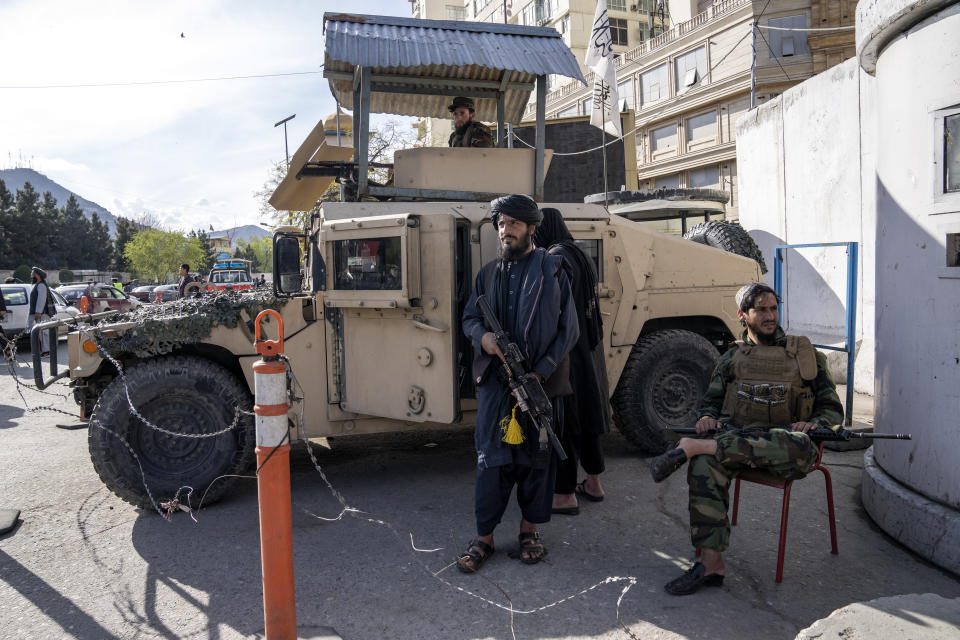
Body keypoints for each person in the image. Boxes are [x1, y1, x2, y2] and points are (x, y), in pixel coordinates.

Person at [650, 282, 843, 595]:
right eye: (761, 310)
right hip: (740, 442)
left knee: (794, 445)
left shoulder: (804, 355)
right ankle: (711, 565)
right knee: (703, 466)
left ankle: (698, 447)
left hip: (788, 448)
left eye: (773, 309)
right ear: (743, 315)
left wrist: (814, 423)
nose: (770, 316)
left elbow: (834, 411)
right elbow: (709, 404)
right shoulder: (731, 359)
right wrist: (705, 419)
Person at [457, 194, 579, 572]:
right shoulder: (488, 273)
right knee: (490, 463)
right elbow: (469, 317)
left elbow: (568, 330)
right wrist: (484, 339)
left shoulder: (553, 270)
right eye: (500, 224)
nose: (504, 230)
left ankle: (529, 532)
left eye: (512, 224)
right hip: (497, 385)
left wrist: (539, 371)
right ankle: (484, 539)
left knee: (536, 462)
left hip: (538, 384)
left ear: (531, 228)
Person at [532, 209, 611, 515]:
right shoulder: (578, 251)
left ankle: (564, 494)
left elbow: (555, 308)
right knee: (589, 414)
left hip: (569, 351)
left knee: (565, 420)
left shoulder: (557, 256)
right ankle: (593, 482)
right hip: (589, 347)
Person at [28, 267, 55, 357]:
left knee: (44, 333)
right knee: (40, 333)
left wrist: (38, 312)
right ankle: (43, 351)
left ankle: (46, 351)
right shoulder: (37, 285)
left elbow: (41, 300)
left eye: (32, 273)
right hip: (39, 314)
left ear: (37, 275)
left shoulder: (41, 285)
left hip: (42, 314)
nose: (31, 275)